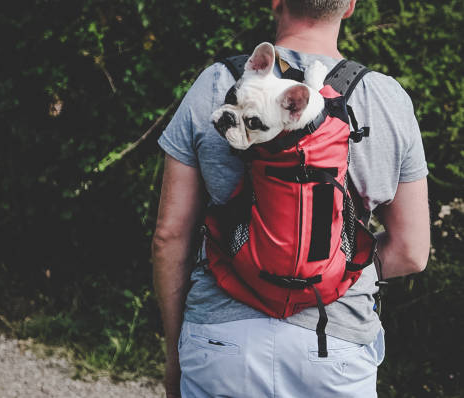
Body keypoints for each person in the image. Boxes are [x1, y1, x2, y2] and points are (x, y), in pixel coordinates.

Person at [151, 0, 430, 397]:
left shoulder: (217, 83)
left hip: (221, 340)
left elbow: (169, 236)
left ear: (276, 1)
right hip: (335, 346)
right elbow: (412, 251)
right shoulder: (387, 98)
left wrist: (176, 353)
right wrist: (335, 268)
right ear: (349, 6)